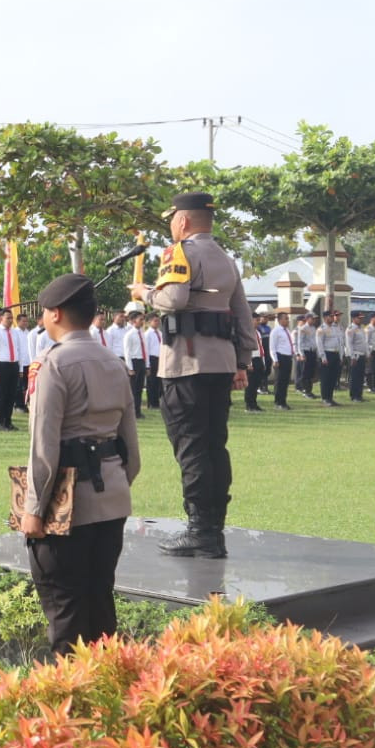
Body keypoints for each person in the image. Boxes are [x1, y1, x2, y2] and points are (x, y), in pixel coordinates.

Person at [16, 272, 140, 659]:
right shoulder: (113, 361)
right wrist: (119, 483)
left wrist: (33, 509)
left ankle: (73, 706)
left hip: (67, 504)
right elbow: (130, 444)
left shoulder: (51, 364)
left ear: (54, 314)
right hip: (113, 497)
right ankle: (108, 691)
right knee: (100, 601)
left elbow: (43, 446)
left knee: (65, 609)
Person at [128, 192, 254, 559]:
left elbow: (173, 300)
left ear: (182, 221)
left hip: (186, 366)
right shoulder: (226, 259)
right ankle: (212, 531)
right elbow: (242, 314)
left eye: (172, 219)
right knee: (214, 446)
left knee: (192, 448)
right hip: (220, 365)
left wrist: (143, 292)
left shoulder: (178, 251)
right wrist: (242, 362)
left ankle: (200, 531)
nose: (171, 225)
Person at [0, 309, 24, 431]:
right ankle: (1, 422)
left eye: (11, 318)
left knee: (11, 395)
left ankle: (8, 421)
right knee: (1, 395)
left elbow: (19, 350)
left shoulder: (15, 333)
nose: (10, 320)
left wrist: (20, 368)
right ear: (1, 318)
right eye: (7, 318)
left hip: (13, 365)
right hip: (2, 365)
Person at [120, 301, 147, 419]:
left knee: (140, 389)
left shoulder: (142, 333)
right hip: (134, 362)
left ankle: (138, 411)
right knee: (133, 389)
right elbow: (127, 352)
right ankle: (131, 412)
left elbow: (144, 350)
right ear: (134, 320)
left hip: (141, 361)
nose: (142, 321)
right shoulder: (129, 335)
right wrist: (130, 368)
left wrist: (147, 365)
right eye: (140, 319)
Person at [269, 310, 296, 411]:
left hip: (287, 357)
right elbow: (272, 347)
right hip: (280, 357)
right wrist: (275, 359)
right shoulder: (276, 331)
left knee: (285, 381)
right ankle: (278, 402)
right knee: (279, 381)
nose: (288, 320)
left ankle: (283, 401)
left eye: (288, 319)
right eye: (286, 319)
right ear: (280, 320)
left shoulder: (287, 330)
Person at [318, 309, 345, 406]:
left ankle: (330, 397)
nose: (332, 318)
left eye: (333, 316)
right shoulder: (321, 329)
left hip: (336, 354)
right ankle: (325, 398)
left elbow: (340, 343)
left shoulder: (335, 328)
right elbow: (320, 344)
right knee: (326, 378)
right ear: (325, 318)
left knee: (333, 378)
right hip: (327, 354)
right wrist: (323, 357)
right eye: (330, 316)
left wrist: (341, 356)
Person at [345, 312, 369, 403]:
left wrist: (367, 354)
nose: (361, 320)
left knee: (360, 376)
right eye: (359, 318)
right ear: (354, 319)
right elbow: (349, 344)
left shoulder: (361, 328)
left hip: (362, 355)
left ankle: (359, 395)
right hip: (355, 355)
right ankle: (354, 395)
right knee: (354, 377)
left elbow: (364, 343)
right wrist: (352, 357)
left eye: (361, 318)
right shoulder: (350, 329)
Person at [297, 314, 320, 398]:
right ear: (307, 319)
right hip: (306, 352)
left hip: (313, 352)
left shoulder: (313, 328)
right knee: (305, 373)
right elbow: (300, 342)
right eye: (312, 319)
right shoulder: (303, 328)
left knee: (311, 373)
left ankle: (310, 391)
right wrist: (301, 354)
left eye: (314, 319)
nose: (314, 320)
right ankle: (305, 391)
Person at [143, 313, 163, 410]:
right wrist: (148, 365)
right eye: (155, 321)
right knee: (151, 382)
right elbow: (146, 350)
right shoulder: (147, 334)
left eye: (158, 320)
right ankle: (151, 403)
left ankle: (157, 401)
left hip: (160, 359)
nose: (157, 322)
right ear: (149, 322)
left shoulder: (160, 333)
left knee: (159, 382)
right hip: (152, 359)